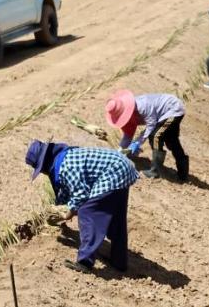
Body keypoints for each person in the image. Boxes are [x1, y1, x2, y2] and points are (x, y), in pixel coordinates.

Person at [25, 140, 138, 274]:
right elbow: (68, 191)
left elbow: (80, 195)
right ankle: (119, 261)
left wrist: (69, 213)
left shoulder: (65, 166)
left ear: (44, 164)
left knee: (87, 211)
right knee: (117, 219)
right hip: (122, 167)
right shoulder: (64, 157)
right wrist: (58, 208)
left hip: (114, 171)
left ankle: (85, 261)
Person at [105, 90, 189, 182]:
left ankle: (155, 171)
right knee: (171, 140)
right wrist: (120, 152)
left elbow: (151, 126)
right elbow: (128, 135)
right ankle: (183, 175)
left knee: (156, 136)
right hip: (164, 114)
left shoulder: (143, 106)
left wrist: (137, 143)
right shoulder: (128, 118)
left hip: (172, 108)